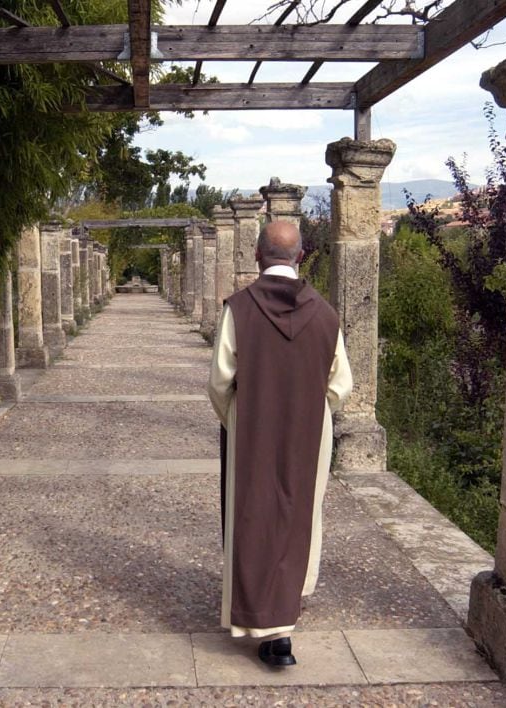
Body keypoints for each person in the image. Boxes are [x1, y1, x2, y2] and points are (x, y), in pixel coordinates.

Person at [207, 220, 353, 667]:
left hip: (252, 428)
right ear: (301, 257)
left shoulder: (239, 309)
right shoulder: (326, 315)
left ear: (256, 256)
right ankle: (282, 626)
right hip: (309, 432)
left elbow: (219, 381)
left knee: (252, 514)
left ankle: (259, 622)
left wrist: (238, 417)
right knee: (298, 515)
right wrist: (309, 411)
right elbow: (341, 385)